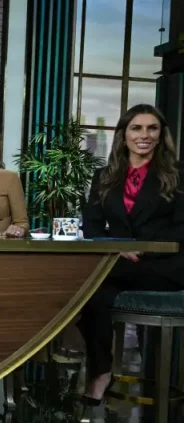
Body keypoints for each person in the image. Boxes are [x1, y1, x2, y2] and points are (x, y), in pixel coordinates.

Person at [79, 104, 184, 404]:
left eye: (152, 128)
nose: (144, 135)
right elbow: (92, 224)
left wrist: (141, 247)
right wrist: (118, 246)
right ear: (123, 135)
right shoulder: (105, 175)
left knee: (90, 281)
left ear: (161, 135)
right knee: (91, 290)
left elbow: (182, 228)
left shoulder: (178, 174)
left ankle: (98, 373)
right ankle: (101, 370)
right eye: (136, 128)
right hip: (121, 264)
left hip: (166, 266)